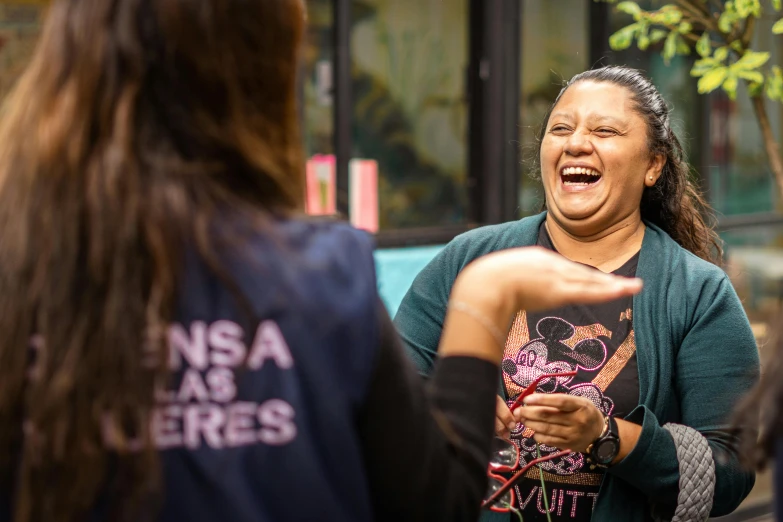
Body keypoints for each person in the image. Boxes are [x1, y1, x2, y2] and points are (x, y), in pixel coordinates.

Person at [0, 2, 646, 522]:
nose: (574, 145)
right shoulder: (318, 278)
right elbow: (433, 501)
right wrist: (483, 300)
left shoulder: (19, 259)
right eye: (559, 127)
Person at [394, 65, 761, 522]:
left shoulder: (697, 292)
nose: (576, 142)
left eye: (604, 130)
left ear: (653, 165)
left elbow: (730, 468)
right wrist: (455, 406)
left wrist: (606, 436)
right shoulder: (470, 259)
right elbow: (388, 396)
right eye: (561, 128)